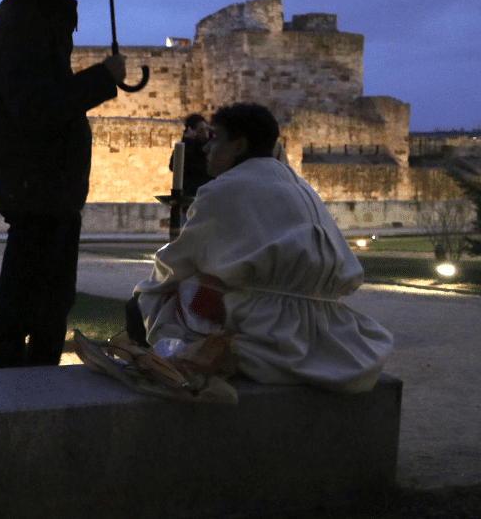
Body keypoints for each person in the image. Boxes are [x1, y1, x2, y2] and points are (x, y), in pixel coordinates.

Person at [132, 102, 394, 393]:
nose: (206, 148)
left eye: (215, 138)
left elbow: (176, 264)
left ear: (239, 145)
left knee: (152, 300)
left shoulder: (223, 189)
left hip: (264, 324)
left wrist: (149, 289)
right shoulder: (296, 182)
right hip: (325, 326)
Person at [0, 0, 126, 369]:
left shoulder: (32, 19)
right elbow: (38, 108)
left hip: (44, 186)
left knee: (42, 304)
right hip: (39, 186)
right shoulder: (25, 22)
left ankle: (27, 393)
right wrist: (103, 77)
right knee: (33, 307)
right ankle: (22, 397)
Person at [170, 113, 214, 198]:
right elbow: (174, 166)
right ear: (193, 131)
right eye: (201, 130)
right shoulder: (188, 147)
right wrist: (187, 142)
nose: (206, 134)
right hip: (191, 193)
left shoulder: (212, 146)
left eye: (206, 129)